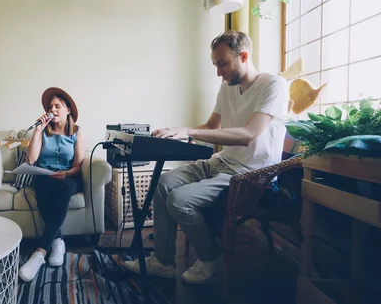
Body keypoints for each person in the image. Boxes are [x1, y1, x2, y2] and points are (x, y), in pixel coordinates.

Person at [122, 30, 289, 284]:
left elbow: (247, 135)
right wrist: (177, 132)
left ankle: (211, 258)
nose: (219, 72)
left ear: (243, 56)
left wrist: (189, 131)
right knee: (163, 184)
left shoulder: (273, 85)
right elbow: (212, 127)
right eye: (215, 64)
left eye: (223, 63)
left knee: (179, 200)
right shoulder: (226, 89)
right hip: (221, 162)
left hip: (250, 173)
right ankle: (164, 262)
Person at [18, 87, 86, 282]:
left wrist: (65, 173)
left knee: (63, 191)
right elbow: (31, 160)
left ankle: (39, 252)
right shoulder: (43, 132)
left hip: (68, 177)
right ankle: (58, 240)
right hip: (45, 176)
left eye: (58, 106)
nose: (53, 109)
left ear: (68, 110)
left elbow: (78, 166)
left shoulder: (77, 132)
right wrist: (38, 131)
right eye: (50, 106)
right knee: (44, 189)